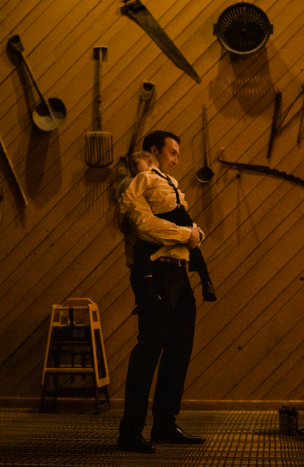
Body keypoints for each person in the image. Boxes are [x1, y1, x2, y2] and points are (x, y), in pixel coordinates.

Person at [116, 131, 206, 453]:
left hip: (178, 274)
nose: (176, 159)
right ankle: (130, 431)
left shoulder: (169, 188)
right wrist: (186, 234)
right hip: (153, 274)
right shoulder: (135, 183)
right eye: (172, 152)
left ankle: (164, 424)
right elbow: (143, 225)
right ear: (154, 151)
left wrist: (192, 233)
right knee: (148, 351)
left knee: (179, 351)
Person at [124, 150, 216, 306]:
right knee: (194, 248)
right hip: (178, 215)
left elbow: (128, 197)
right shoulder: (169, 179)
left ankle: (147, 292)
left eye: (134, 165)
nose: (132, 170)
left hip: (167, 217)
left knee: (140, 249)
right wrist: (192, 231)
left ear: (149, 161)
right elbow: (178, 198)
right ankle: (206, 281)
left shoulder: (143, 177)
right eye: (172, 154)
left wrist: (121, 214)